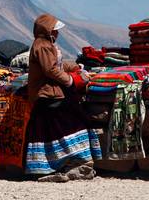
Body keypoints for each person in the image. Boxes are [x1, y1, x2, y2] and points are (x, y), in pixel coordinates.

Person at [24, 13, 97, 182]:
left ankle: (62, 164)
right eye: (55, 30)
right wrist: (70, 80)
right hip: (47, 94)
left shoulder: (47, 45)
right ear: (47, 30)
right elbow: (50, 69)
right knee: (67, 125)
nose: (57, 33)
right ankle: (57, 165)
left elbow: (58, 64)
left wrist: (76, 67)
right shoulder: (42, 46)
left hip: (53, 93)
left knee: (57, 128)